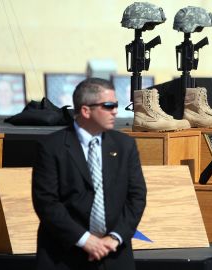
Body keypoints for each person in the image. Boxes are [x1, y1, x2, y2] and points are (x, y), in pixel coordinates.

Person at [32, 78, 147, 270]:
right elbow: (46, 202)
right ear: (86, 110)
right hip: (64, 255)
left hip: (114, 255)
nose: (115, 111)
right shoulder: (52, 147)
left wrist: (115, 237)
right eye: (108, 106)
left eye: (116, 105)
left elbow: (137, 196)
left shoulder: (125, 145)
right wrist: (84, 240)